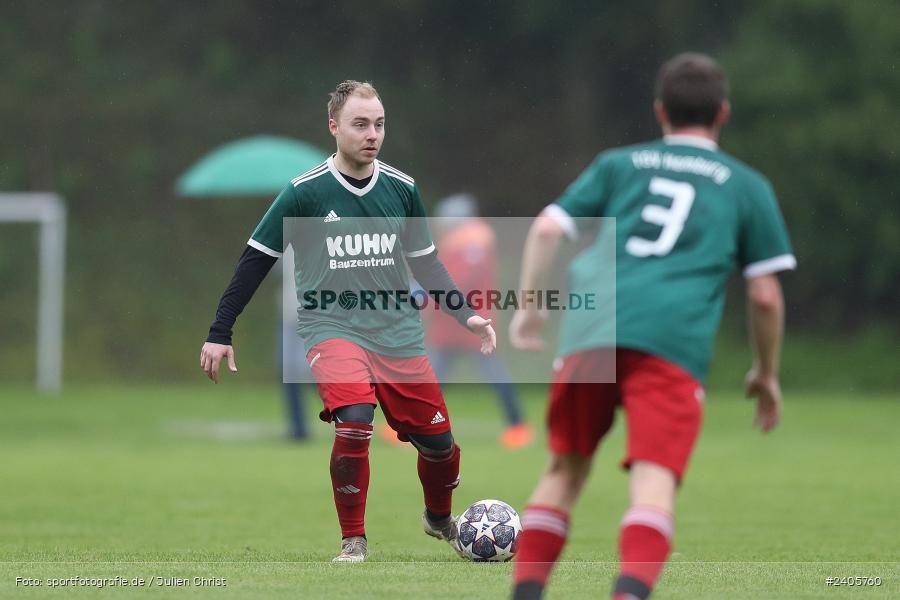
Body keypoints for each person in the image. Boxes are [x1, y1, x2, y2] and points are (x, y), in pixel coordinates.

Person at [508, 53, 795, 599]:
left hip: (591, 330)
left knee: (565, 471)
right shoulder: (746, 185)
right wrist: (766, 370)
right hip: (670, 342)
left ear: (660, 110)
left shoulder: (620, 164)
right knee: (653, 477)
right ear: (723, 114)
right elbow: (763, 293)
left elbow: (546, 230)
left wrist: (531, 305)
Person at [199, 80, 496, 563]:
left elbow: (426, 262)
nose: (371, 133)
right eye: (360, 124)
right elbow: (256, 258)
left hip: (398, 334)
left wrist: (468, 316)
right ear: (334, 127)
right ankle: (353, 540)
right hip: (331, 329)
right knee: (355, 421)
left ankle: (439, 518)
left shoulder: (402, 189)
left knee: (441, 446)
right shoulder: (304, 193)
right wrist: (220, 330)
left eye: (379, 124)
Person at [424, 194, 532, 448]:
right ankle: (415, 426)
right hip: (450, 324)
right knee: (431, 379)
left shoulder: (474, 242)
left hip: (473, 324)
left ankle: (518, 427)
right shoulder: (458, 242)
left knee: (494, 376)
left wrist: (430, 298)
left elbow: (459, 281)